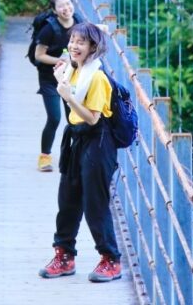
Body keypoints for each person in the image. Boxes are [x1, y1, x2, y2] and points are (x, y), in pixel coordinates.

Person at [38, 22, 122, 283]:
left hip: (98, 140)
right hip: (75, 137)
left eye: (81, 42)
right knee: (68, 198)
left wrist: (67, 95)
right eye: (72, 41)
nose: (73, 46)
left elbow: (93, 118)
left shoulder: (97, 77)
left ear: (93, 48)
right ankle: (64, 255)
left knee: (95, 203)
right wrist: (61, 82)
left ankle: (111, 259)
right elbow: (72, 102)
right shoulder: (75, 69)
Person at [33, 0, 77, 172]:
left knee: (74, 118)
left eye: (68, 4)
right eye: (61, 6)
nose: (66, 9)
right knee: (54, 118)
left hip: (71, 78)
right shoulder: (48, 29)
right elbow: (38, 55)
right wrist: (59, 61)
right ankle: (44, 157)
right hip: (49, 79)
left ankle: (75, 155)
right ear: (55, 10)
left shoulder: (79, 23)